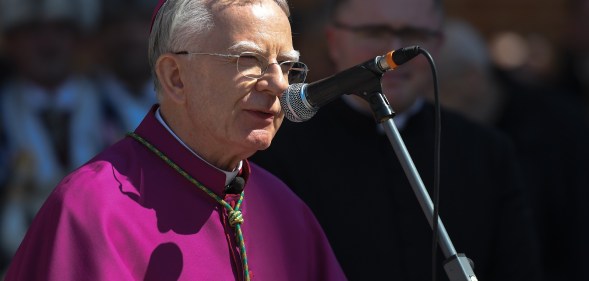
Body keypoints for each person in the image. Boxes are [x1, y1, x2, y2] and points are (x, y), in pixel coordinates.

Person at [4, 0, 346, 280]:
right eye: (249, 61)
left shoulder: (285, 209)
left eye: (286, 66)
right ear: (176, 77)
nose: (278, 85)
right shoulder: (91, 209)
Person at [251, 0, 543, 280]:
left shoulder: (486, 151)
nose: (390, 50)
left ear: (437, 45)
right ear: (334, 41)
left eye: (411, 34)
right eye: (373, 31)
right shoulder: (277, 149)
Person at [434, 18, 589, 281]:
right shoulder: (454, 134)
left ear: (472, 78)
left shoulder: (557, 124)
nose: (432, 103)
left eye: (437, 89)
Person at [0, 0, 103, 273]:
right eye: (33, 30)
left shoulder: (114, 110)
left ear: (79, 41)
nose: (48, 42)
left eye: (60, 29)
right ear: (10, 42)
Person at [92, 0, 158, 145]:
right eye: (117, 23)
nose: (130, 35)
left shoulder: (184, 98)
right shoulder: (84, 101)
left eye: (142, 21)